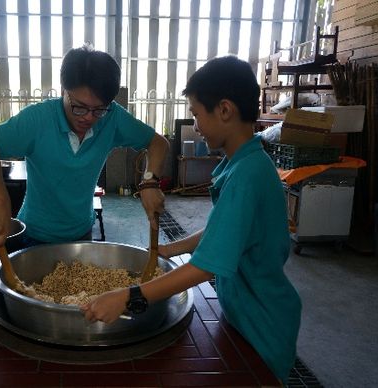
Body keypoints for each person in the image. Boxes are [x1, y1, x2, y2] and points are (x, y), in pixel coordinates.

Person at [81, 55, 302, 384]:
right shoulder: (243, 163)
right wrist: (165, 252)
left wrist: (130, 295)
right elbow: (221, 231)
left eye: (197, 114)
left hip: (262, 321)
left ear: (224, 110)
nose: (195, 126)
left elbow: (206, 267)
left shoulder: (248, 175)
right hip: (244, 310)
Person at [0, 43, 169, 247]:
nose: (89, 118)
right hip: (33, 234)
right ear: (64, 90)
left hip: (81, 233)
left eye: (99, 109)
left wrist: (150, 182)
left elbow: (157, 143)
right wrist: (1, 202)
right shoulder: (38, 119)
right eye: (80, 107)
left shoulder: (113, 118)